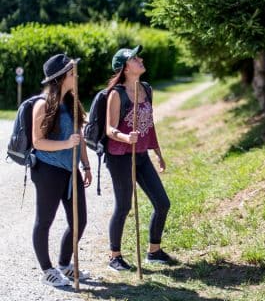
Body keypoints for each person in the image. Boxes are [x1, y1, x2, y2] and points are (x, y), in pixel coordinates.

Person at [104, 45, 173, 271]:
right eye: (134, 58)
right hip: (120, 156)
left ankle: (154, 251)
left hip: (141, 155)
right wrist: (126, 137)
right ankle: (115, 256)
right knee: (123, 206)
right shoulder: (117, 94)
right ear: (125, 68)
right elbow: (109, 129)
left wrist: (158, 153)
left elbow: (149, 126)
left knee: (162, 203)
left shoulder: (146, 89)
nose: (140, 59)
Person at [31, 54, 92, 286]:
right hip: (48, 170)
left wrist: (85, 164)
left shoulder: (71, 101)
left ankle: (64, 265)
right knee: (44, 221)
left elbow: (80, 137)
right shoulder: (43, 104)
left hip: (70, 170)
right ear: (61, 77)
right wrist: (67, 144)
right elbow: (38, 142)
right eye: (72, 72)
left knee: (80, 220)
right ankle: (47, 271)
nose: (76, 75)